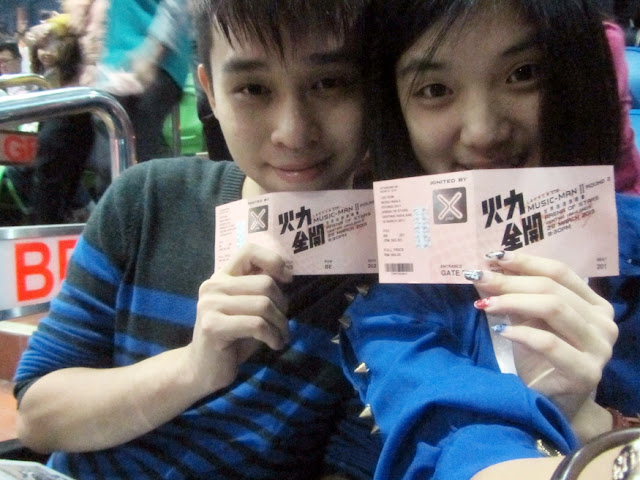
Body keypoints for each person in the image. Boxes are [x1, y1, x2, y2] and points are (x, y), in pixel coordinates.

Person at [13, 0, 381, 478]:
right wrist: (193, 369)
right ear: (211, 91)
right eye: (252, 89)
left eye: (329, 83)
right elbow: (38, 418)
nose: (292, 132)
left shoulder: (393, 277)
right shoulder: (148, 200)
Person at [336, 0, 637, 479]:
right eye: (435, 90)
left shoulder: (632, 237)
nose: (483, 132)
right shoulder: (392, 310)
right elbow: (465, 451)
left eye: (523, 74)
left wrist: (596, 423)